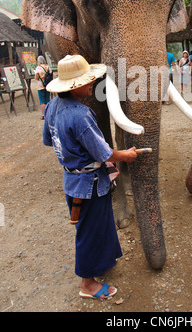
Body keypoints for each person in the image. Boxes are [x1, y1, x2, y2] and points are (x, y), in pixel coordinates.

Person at [43, 54, 138, 299]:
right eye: (87, 81)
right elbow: (104, 152)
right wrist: (126, 155)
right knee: (90, 232)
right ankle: (87, 284)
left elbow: (47, 139)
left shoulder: (53, 106)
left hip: (72, 181)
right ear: (75, 87)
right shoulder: (80, 114)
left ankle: (104, 262)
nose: (92, 84)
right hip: (90, 184)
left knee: (101, 224)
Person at [34, 55, 51, 119]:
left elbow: (36, 78)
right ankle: (49, 113)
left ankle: (43, 114)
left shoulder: (38, 68)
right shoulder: (48, 67)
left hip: (40, 85)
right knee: (47, 100)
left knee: (42, 101)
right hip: (48, 85)